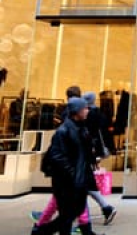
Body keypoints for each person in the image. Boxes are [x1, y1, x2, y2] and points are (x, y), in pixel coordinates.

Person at [33, 97, 100, 235]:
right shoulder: (63, 131)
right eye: (85, 108)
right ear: (77, 111)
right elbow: (58, 156)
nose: (87, 111)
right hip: (67, 181)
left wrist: (91, 158)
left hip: (78, 179)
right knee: (67, 215)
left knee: (71, 213)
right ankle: (41, 231)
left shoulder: (81, 128)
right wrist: (73, 173)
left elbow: (83, 152)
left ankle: (41, 231)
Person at [84, 92, 117, 225]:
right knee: (85, 184)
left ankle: (84, 221)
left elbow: (89, 135)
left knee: (83, 184)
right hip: (93, 152)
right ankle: (105, 208)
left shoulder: (88, 115)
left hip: (87, 152)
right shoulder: (100, 114)